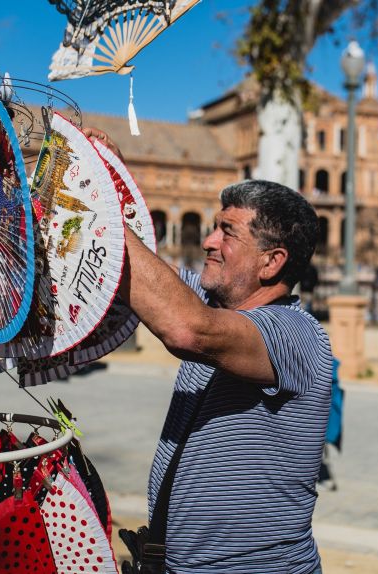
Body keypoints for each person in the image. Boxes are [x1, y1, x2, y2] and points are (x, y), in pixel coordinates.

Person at [90, 130, 332, 573]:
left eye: (227, 232)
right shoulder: (210, 300)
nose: (208, 241)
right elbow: (146, 273)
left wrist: (94, 209)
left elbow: (187, 329)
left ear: (271, 262)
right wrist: (108, 181)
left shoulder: (297, 334)